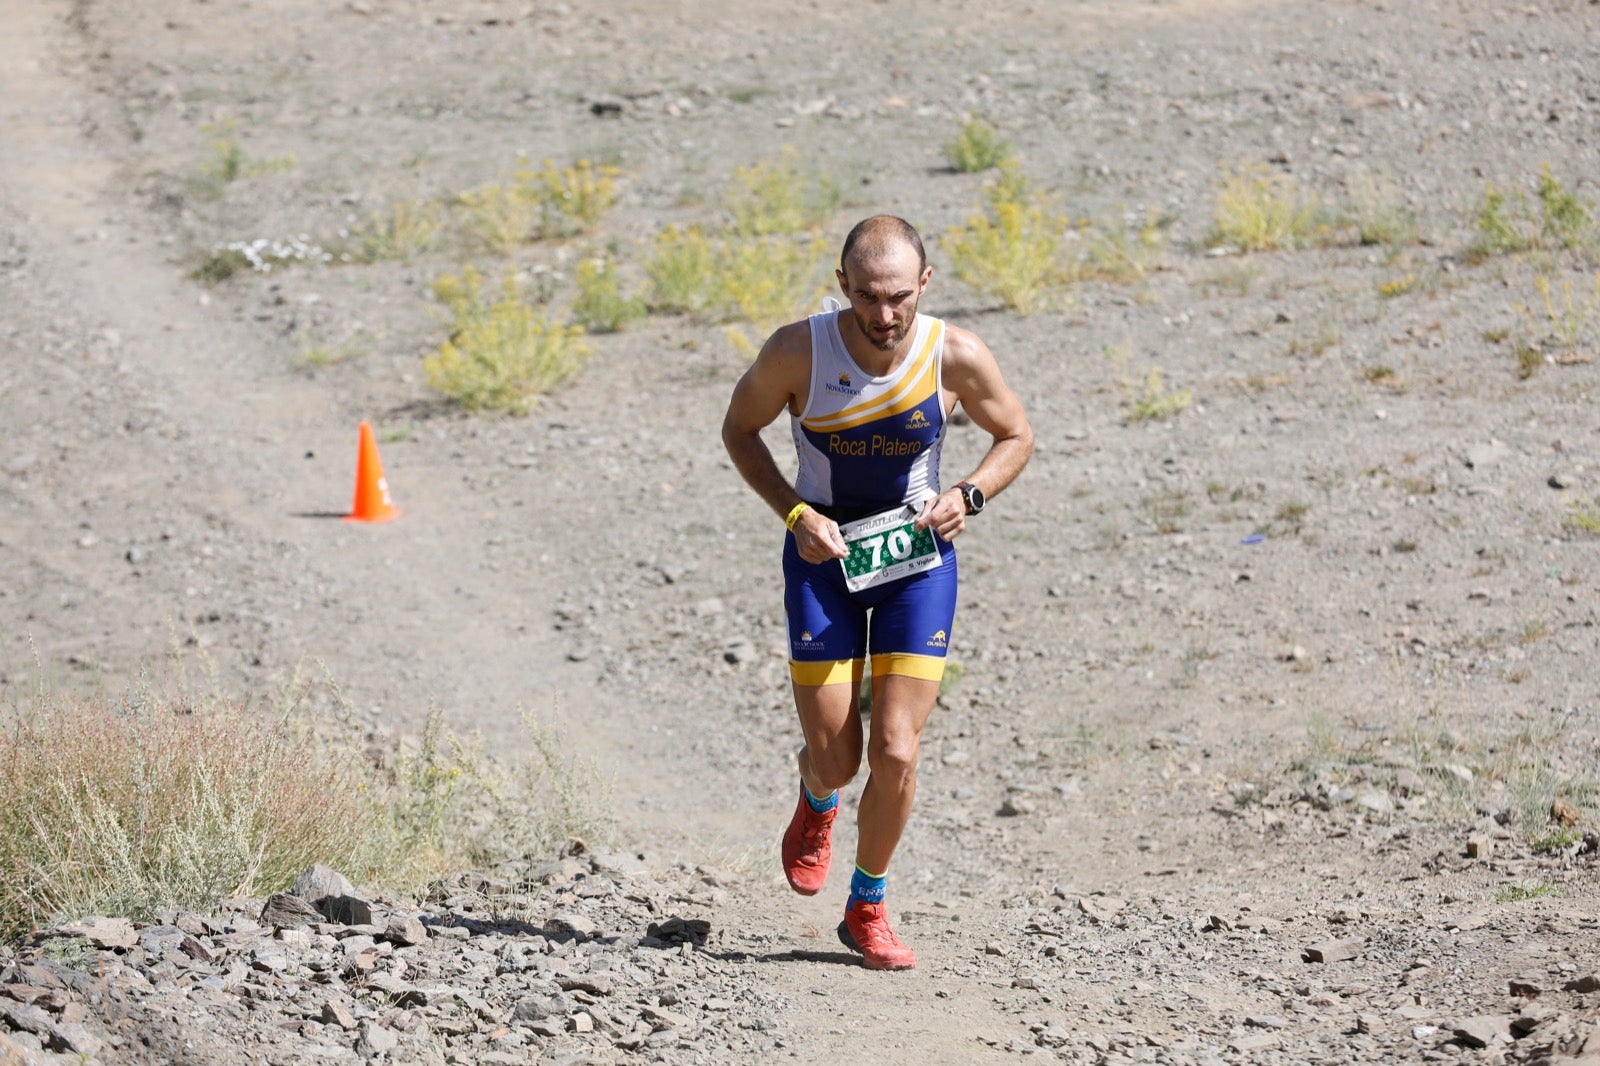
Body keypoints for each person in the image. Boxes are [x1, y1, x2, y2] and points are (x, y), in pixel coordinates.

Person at [721, 215, 1033, 970]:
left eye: (898, 297)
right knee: (839, 760)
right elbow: (740, 429)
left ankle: (868, 905)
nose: (884, 315)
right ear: (842, 287)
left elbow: (1016, 435)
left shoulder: (954, 354)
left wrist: (971, 496)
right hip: (823, 563)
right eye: (866, 297)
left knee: (896, 748)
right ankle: (817, 796)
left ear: (925, 284)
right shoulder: (800, 349)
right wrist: (796, 513)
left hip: (917, 565)